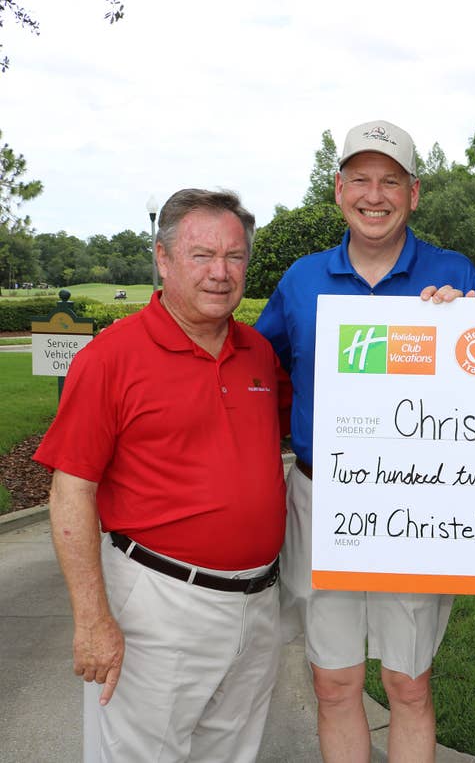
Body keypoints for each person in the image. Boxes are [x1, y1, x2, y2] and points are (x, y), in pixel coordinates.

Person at [254, 119, 475, 763]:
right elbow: (256, 368)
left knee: (407, 683)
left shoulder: (454, 273)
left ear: (414, 193)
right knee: (334, 681)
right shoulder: (302, 279)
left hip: (414, 503)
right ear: (338, 189)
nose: (373, 194)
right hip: (321, 497)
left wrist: (462, 326)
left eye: (390, 180)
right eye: (360, 178)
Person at [34, 189, 290, 762]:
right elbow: (71, 490)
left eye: (234, 257)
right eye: (202, 256)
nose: (221, 274)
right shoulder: (111, 357)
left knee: (232, 753)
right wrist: (92, 619)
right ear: (164, 258)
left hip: (257, 604)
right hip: (158, 604)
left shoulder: (258, 353)